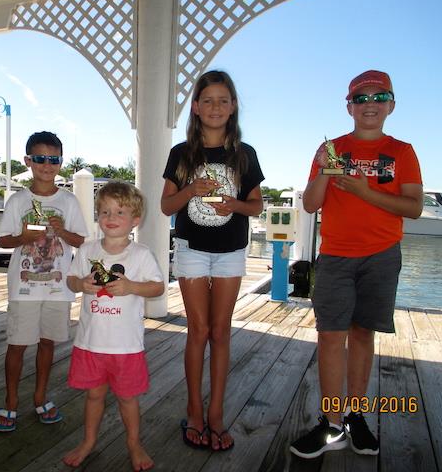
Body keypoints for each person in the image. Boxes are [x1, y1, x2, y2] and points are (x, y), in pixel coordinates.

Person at [290, 70, 423, 459]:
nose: (370, 105)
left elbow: (414, 207)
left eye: (379, 97)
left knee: (363, 334)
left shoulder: (403, 152)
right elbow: (311, 204)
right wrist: (324, 170)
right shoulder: (331, 149)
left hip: (382, 256)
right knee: (330, 336)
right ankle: (331, 423)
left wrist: (365, 191)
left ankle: (356, 416)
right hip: (335, 256)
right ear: (349, 106)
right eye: (361, 98)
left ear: (391, 105)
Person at [160, 70, 264, 451]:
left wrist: (234, 204)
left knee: (221, 332)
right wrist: (191, 189)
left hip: (231, 252)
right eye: (208, 100)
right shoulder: (181, 154)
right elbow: (165, 206)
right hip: (191, 250)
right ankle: (194, 411)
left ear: (233, 106)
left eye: (223, 100)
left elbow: (256, 206)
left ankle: (216, 413)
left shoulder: (245, 154)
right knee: (198, 331)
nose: (215, 107)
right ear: (195, 107)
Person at [62, 182, 164, 471]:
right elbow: (71, 280)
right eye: (105, 211)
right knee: (94, 395)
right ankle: (88, 441)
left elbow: (157, 287)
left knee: (127, 398)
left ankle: (134, 443)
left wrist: (132, 287)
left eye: (120, 212)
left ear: (135, 220)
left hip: (126, 346)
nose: (111, 217)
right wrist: (81, 284)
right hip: (90, 342)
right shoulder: (86, 250)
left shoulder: (141, 254)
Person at [0, 131, 88, 432]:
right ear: (28, 161)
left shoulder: (68, 201)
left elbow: (80, 240)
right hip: (24, 288)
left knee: (48, 343)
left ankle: (40, 396)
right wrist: (23, 237)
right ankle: (10, 400)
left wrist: (61, 232)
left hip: (58, 289)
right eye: (41, 158)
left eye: (54, 159)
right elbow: (3, 240)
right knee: (17, 345)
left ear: (61, 162)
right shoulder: (18, 200)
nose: (48, 165)